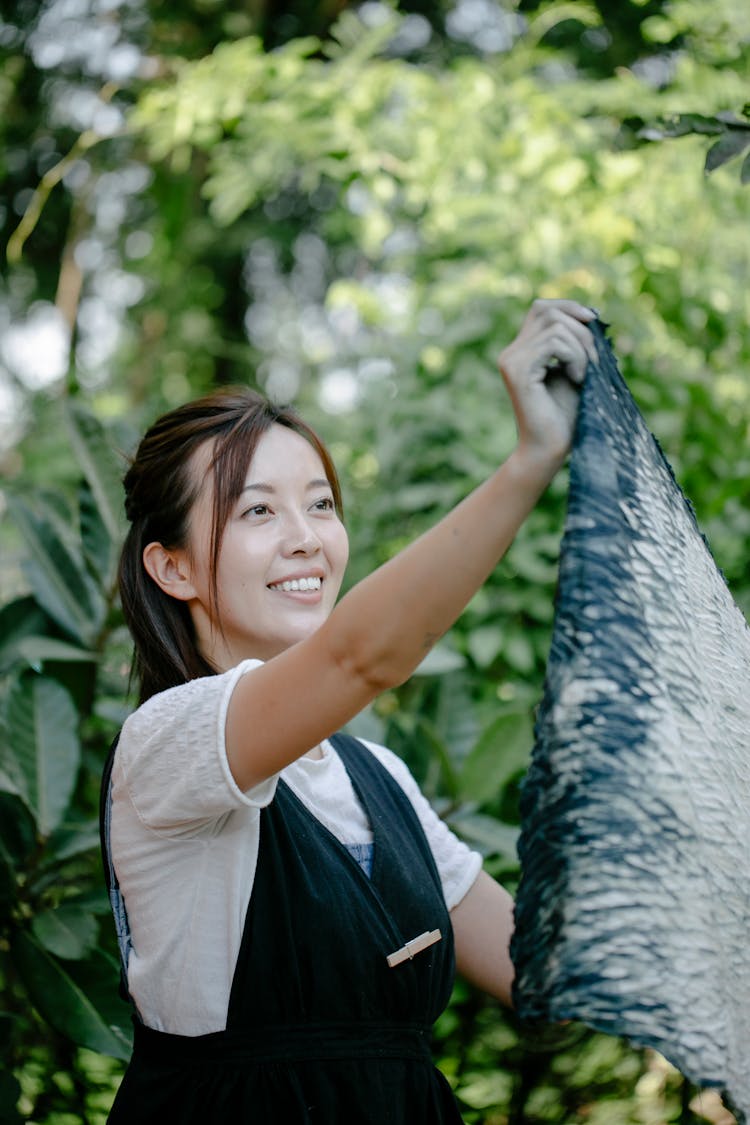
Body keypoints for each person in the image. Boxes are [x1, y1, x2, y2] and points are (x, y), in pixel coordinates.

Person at [101, 298, 597, 1123]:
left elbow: (541, 973)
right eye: (258, 510)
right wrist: (531, 460)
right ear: (174, 567)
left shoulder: (382, 779)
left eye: (321, 504)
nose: (307, 538)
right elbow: (363, 654)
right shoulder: (167, 744)